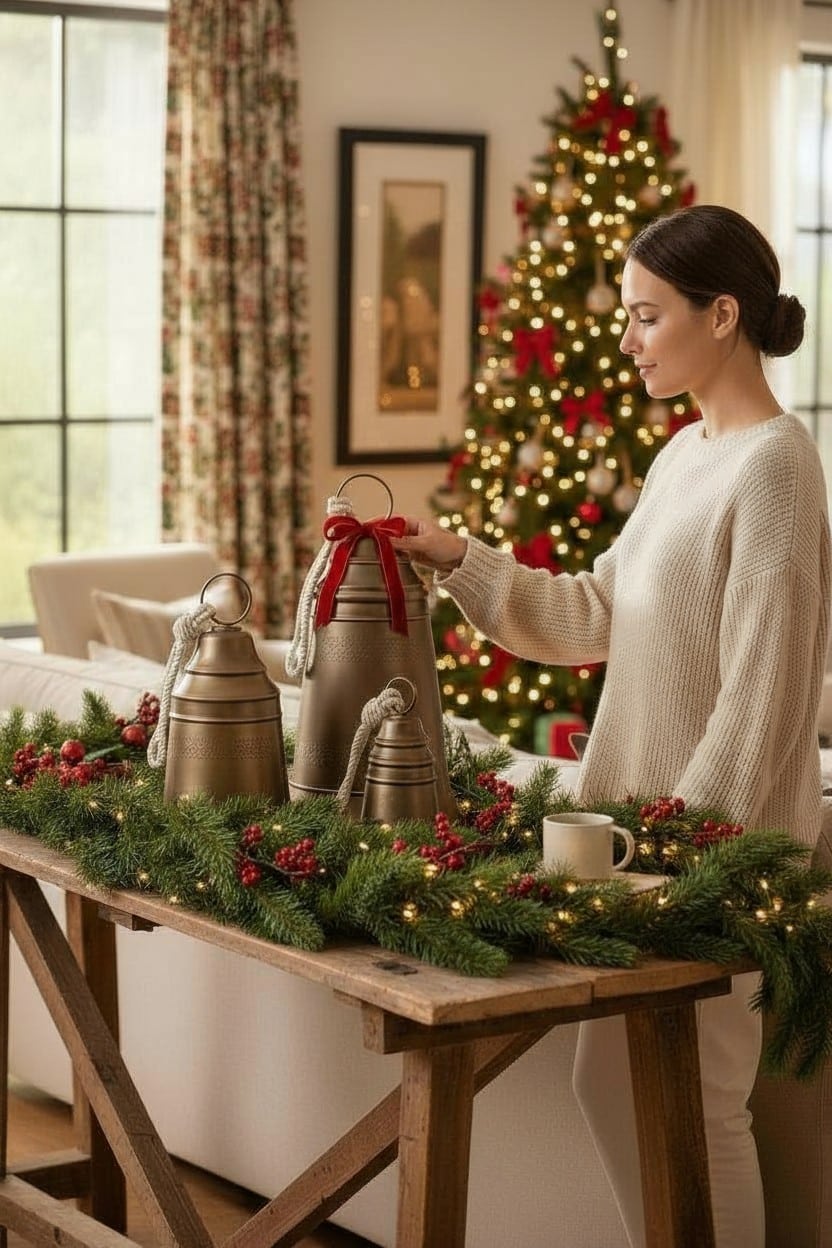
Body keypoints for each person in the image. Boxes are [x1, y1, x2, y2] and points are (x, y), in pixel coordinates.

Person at [392, 203, 831, 1248]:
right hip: (650, 849)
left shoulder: (777, 464)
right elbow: (596, 611)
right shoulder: (685, 454)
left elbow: (762, 701)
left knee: (699, 1095)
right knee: (620, 1085)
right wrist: (462, 560)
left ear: (721, 315)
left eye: (644, 316)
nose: (625, 340)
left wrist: (688, 852)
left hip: (722, 858)